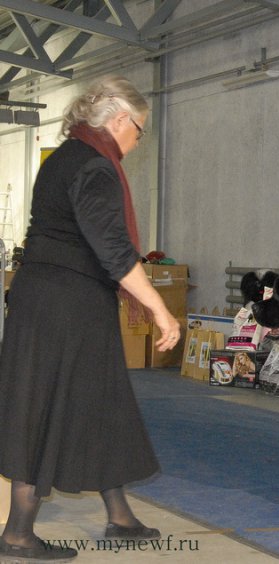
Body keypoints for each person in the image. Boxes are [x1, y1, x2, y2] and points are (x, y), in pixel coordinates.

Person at [0, 76, 181, 562]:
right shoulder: (96, 169)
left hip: (50, 298)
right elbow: (114, 251)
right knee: (47, 409)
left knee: (100, 404)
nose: (138, 141)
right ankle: (18, 533)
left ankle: (119, 515)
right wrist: (162, 309)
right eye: (139, 130)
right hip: (67, 306)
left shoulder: (63, 158)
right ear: (120, 119)